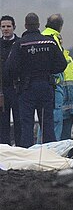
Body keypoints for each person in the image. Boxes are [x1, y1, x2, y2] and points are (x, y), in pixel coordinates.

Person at [4, 13, 67, 147]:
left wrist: (19, 77)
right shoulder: (50, 42)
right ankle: (50, 153)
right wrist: (49, 71)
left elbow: (10, 68)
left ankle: (27, 153)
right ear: (39, 25)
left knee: (26, 124)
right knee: (47, 124)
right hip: (46, 86)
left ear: (25, 26)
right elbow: (62, 64)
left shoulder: (20, 44)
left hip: (26, 88)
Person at [42, 14, 67, 140]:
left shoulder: (43, 35)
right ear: (60, 26)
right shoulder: (52, 38)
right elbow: (59, 62)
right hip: (54, 85)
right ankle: (52, 149)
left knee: (44, 120)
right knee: (54, 120)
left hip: (46, 84)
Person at [0, 15, 20, 145]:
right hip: (2, 90)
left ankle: (20, 148)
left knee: (19, 121)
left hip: (17, 89)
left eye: (8, 26)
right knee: (2, 123)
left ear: (14, 27)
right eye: (3, 27)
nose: (6, 29)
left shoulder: (20, 43)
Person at [59, 47, 73, 140]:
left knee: (66, 134)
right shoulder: (66, 58)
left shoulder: (68, 58)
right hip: (63, 100)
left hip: (69, 101)